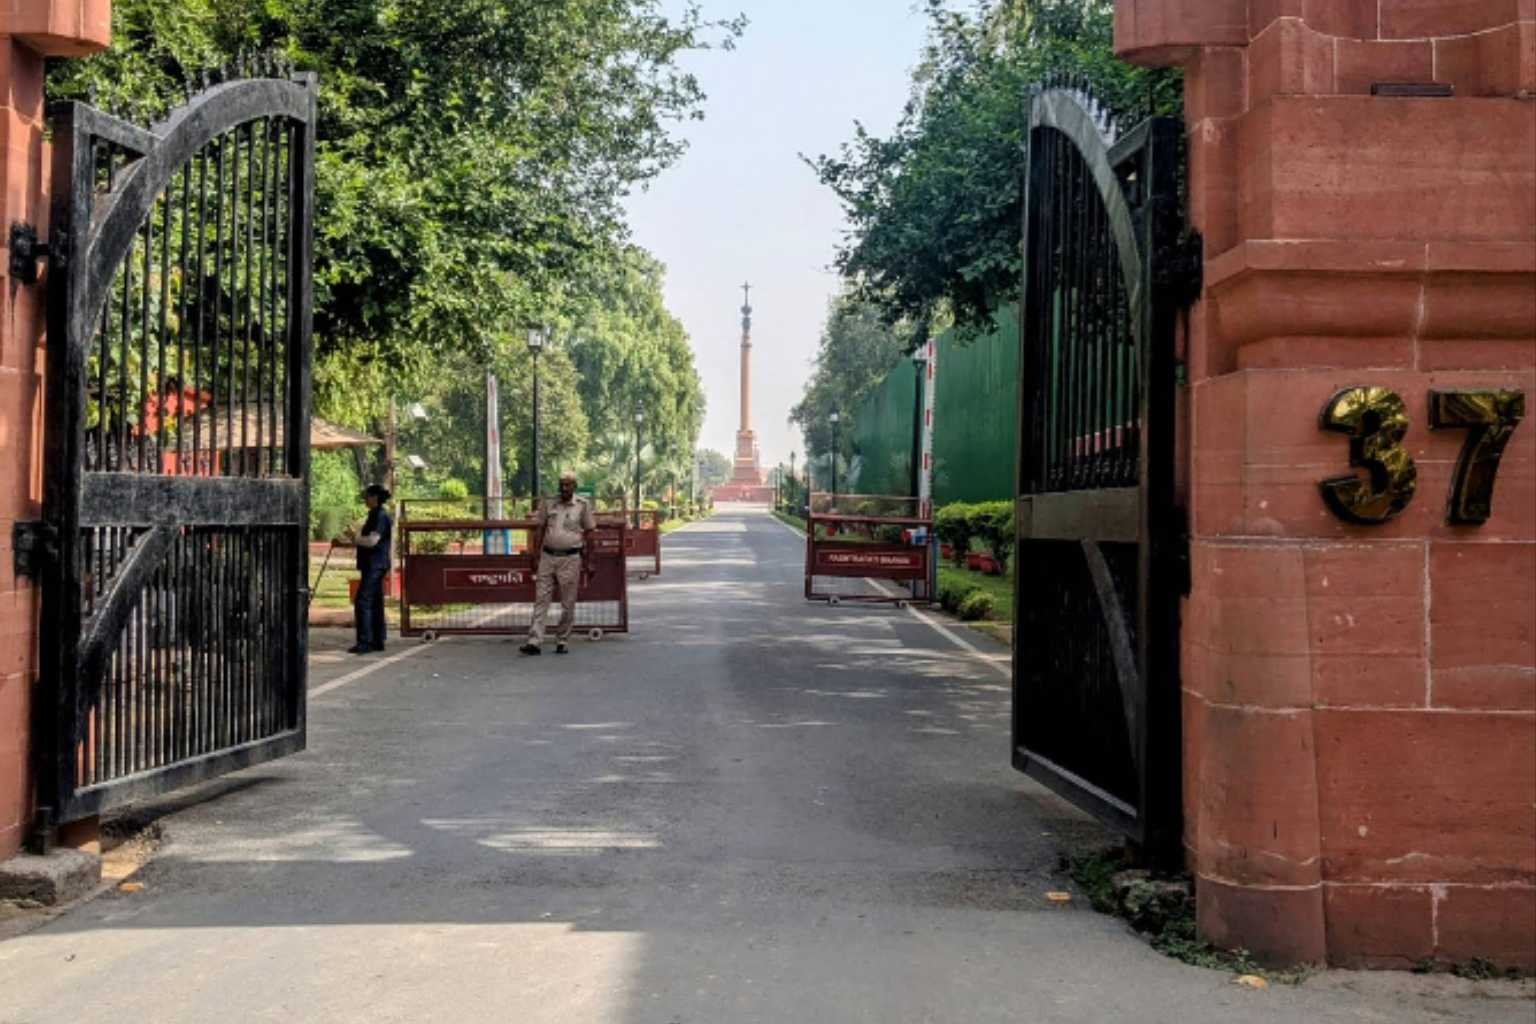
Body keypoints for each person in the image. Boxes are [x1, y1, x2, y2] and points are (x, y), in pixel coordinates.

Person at [520, 472, 595, 655]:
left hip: (570, 558)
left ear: (574, 487)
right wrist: (534, 555)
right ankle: (534, 641)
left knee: (568, 602)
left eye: (568, 485)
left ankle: (562, 639)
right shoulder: (548, 503)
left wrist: (590, 561)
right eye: (561, 484)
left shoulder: (582, 506)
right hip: (547, 556)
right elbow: (540, 529)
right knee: (541, 599)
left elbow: (590, 533)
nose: (564, 488)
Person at [337, 484, 393, 655]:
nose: (365, 499)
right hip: (373, 564)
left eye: (367, 496)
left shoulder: (381, 516)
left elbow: (372, 541)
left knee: (363, 601)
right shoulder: (374, 515)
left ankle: (365, 641)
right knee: (374, 602)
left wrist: (355, 538)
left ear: (375, 497)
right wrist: (348, 541)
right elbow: (364, 540)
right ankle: (377, 640)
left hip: (375, 565)